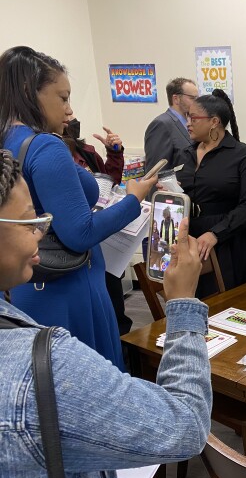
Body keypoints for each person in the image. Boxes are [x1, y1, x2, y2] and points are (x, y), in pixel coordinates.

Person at [0, 149, 212, 478]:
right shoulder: (46, 365)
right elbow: (184, 427)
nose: (41, 232)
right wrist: (183, 303)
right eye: (30, 220)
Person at [0, 46, 155, 370]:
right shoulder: (44, 145)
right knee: (94, 383)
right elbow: (79, 233)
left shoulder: (7, 140)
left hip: (27, 286)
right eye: (62, 98)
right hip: (70, 286)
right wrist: (133, 200)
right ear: (31, 92)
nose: (69, 111)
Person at [176, 89, 246, 294]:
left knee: (235, 304)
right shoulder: (186, 154)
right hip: (195, 238)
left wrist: (215, 234)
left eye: (193, 118)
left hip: (234, 239)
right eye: (187, 117)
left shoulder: (244, 157)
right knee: (199, 300)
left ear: (214, 122)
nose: (188, 123)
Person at [62, 117, 134, 335]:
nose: (70, 114)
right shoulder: (48, 155)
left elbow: (107, 184)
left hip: (104, 238)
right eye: (63, 100)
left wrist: (114, 153)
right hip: (75, 246)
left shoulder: (86, 151)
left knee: (113, 303)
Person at [144, 77, 198, 177]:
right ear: (176, 99)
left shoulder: (190, 123)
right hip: (172, 191)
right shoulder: (161, 124)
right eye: (192, 98)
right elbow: (155, 172)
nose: (197, 102)